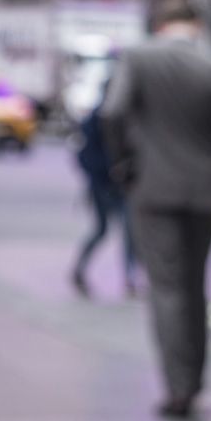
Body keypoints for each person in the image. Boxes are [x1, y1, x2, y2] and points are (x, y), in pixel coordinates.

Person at [101, 0, 211, 419]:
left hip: (153, 189)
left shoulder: (139, 58)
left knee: (166, 289)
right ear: (195, 24)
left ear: (161, 23)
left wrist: (124, 163)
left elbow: (112, 112)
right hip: (203, 192)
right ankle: (196, 380)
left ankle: (177, 387)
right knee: (196, 285)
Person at [71, 84, 137, 298]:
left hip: (116, 185)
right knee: (104, 230)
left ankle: (130, 279)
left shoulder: (120, 118)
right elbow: (84, 155)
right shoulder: (99, 119)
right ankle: (80, 270)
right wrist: (107, 172)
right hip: (104, 185)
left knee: (126, 232)